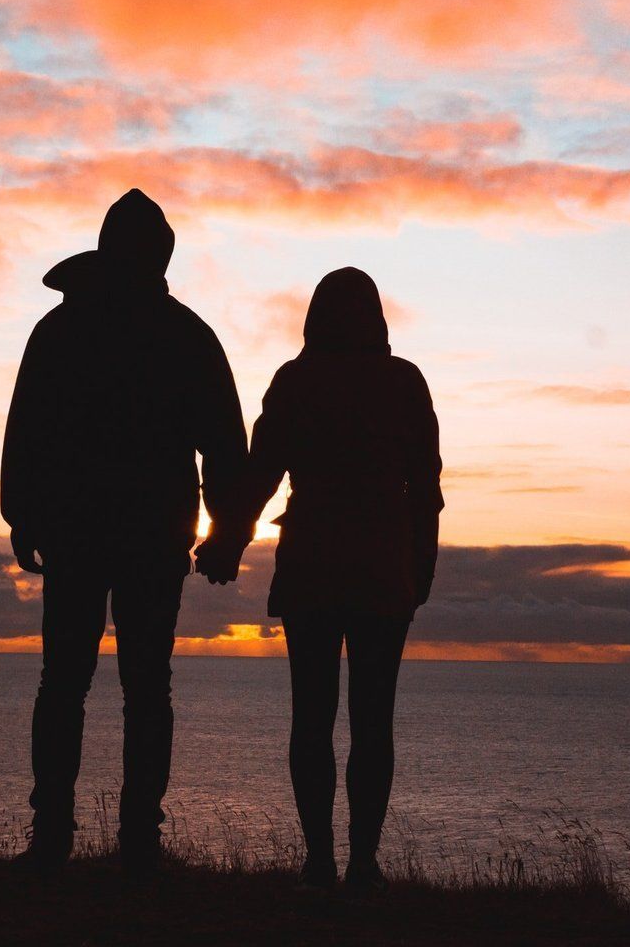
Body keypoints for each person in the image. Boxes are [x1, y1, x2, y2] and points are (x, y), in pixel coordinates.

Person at [0, 189, 251, 875]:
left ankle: (62, 834)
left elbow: (27, 429)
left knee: (69, 684)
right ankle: (132, 838)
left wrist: (22, 511)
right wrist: (226, 532)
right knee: (140, 688)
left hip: (87, 529)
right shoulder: (184, 333)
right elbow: (225, 445)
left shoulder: (63, 330)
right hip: (144, 532)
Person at [211, 267, 442, 892]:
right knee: (373, 721)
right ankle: (362, 864)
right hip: (382, 568)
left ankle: (320, 862)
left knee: (311, 718)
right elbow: (427, 488)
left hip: (313, 564)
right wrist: (421, 565)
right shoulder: (404, 382)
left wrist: (227, 542)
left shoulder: (296, 381)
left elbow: (261, 475)